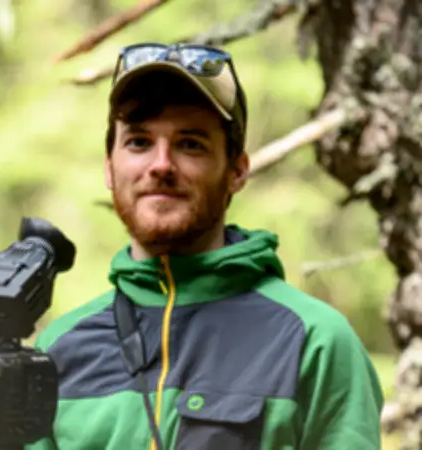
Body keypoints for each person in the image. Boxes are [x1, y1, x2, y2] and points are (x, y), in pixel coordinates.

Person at [25, 43, 384, 449]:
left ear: (237, 171)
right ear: (109, 167)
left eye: (191, 144)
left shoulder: (313, 341)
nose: (160, 165)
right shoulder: (57, 350)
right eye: (139, 142)